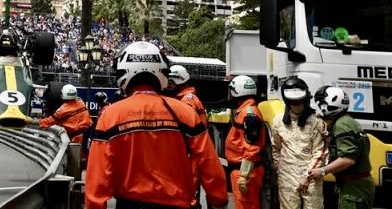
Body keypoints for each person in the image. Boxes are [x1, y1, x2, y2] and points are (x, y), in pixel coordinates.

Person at [86, 41, 227, 209]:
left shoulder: (110, 116)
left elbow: (97, 177)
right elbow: (209, 163)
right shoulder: (185, 112)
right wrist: (218, 200)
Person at [307, 86, 374, 209]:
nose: (320, 107)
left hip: (354, 187)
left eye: (322, 103)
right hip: (356, 185)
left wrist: (322, 171)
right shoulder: (348, 122)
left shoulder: (342, 125)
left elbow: (347, 159)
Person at [271, 77, 327, 209]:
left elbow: (321, 152)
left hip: (311, 175)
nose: (296, 104)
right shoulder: (279, 121)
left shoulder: (316, 122)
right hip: (287, 175)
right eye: (293, 101)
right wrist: (281, 170)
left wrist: (307, 176)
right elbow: (276, 149)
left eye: (299, 100)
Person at [167, 64, 209, 208]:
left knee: (188, 193)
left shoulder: (187, 100)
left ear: (180, 80)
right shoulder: (189, 98)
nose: (169, 86)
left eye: (171, 82)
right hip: (191, 153)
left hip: (190, 154)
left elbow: (186, 127)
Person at [225, 75, 266, 209]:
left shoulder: (249, 113)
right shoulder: (246, 111)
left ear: (238, 91)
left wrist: (244, 175)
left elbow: (252, 147)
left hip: (245, 171)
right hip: (244, 169)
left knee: (246, 205)